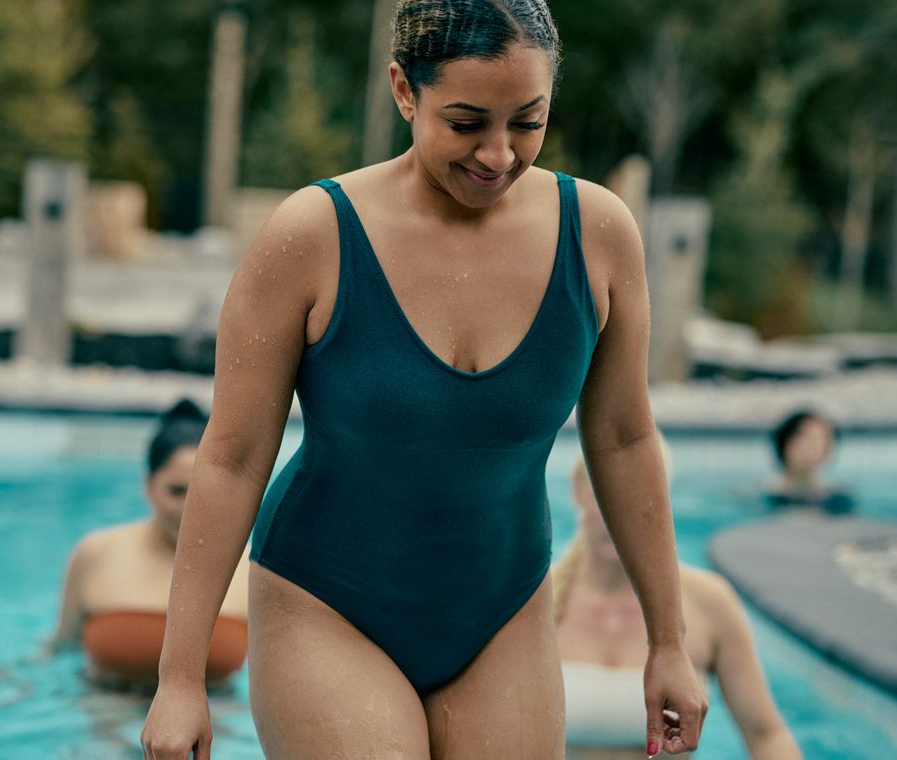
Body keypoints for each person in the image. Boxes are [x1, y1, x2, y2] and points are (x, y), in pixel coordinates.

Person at [141, 1, 707, 757]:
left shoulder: (598, 234)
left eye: (527, 122)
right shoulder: (312, 235)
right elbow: (234, 456)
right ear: (405, 91)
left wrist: (667, 641)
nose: (499, 155)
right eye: (467, 123)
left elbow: (624, 437)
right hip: (327, 600)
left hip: (503, 607)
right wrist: (179, 680)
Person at [555, 452, 802, 759]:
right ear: (576, 492)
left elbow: (767, 734)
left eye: (638, 495)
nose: (619, 513)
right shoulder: (534, 603)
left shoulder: (709, 602)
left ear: (662, 501)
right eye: (603, 494)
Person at [49, 400, 250, 689]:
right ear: (148, 485)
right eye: (177, 491)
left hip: (214, 720)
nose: (191, 510)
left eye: (204, 492)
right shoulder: (97, 553)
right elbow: (62, 647)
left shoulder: (249, 568)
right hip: (103, 712)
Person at [764, 409, 854, 514]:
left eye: (823, 440)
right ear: (784, 442)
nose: (815, 448)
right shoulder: (765, 493)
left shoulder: (838, 496)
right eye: (807, 439)